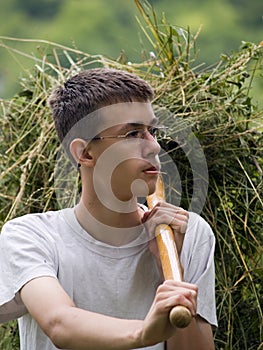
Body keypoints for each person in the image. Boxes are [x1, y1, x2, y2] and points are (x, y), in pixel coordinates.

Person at [0, 68, 217, 349]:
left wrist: (172, 267)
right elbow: (59, 323)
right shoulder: (31, 236)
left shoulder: (188, 232)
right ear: (85, 153)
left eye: (152, 131)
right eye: (133, 134)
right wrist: (143, 334)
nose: (154, 148)